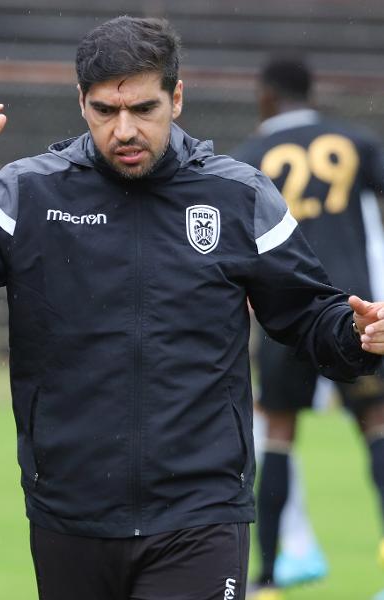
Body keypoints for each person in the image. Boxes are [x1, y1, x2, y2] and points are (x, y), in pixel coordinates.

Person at [0, 19, 384, 600]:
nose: (124, 130)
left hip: (200, 511)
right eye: (104, 111)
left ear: (176, 97)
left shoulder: (238, 194)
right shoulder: (28, 194)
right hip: (71, 511)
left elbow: (306, 316)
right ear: (81, 102)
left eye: (143, 108)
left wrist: (356, 333)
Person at [233, 57, 384, 599]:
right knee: (376, 424)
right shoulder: (355, 141)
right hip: (359, 311)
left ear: (265, 96)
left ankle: (268, 580)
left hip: (287, 314)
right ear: (310, 92)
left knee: (277, 433)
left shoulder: (249, 158)